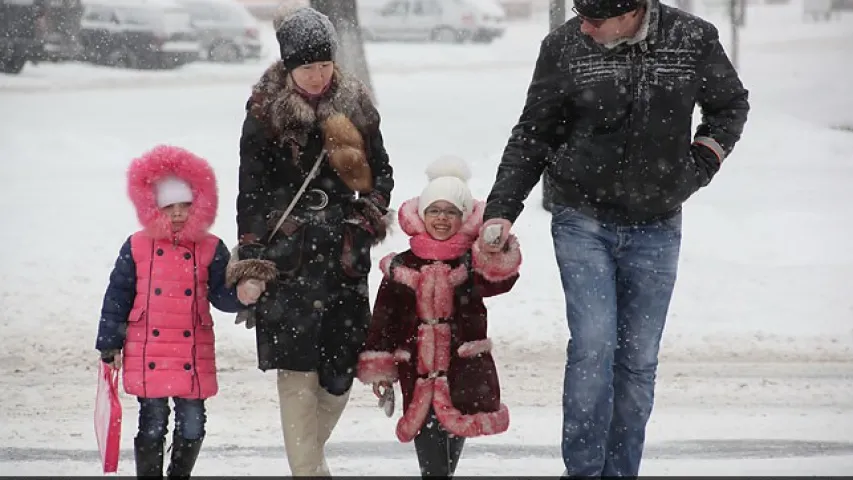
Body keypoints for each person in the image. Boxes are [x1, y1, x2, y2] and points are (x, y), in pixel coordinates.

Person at [477, 0, 750, 476]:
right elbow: (533, 134)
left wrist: (699, 163)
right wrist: (502, 209)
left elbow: (729, 106)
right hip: (582, 217)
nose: (583, 25)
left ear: (631, 13)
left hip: (657, 223)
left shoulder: (692, 39)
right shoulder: (564, 46)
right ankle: (582, 471)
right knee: (593, 346)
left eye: (595, 19)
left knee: (638, 360)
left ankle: (621, 471)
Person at [226, 5, 394, 477]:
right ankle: (308, 472)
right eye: (307, 67)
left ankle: (307, 461)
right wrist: (253, 260)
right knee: (297, 373)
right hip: (289, 261)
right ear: (288, 66)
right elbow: (251, 192)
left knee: (340, 375)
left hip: (344, 256)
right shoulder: (265, 113)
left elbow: (383, 172)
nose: (318, 76)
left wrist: (368, 214)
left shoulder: (356, 104)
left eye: (324, 65)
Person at [95, 145, 267, 477]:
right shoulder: (137, 245)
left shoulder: (211, 246)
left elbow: (220, 294)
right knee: (152, 426)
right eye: (169, 206)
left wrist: (243, 296)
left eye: (184, 206)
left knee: (193, 426)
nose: (177, 214)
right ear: (153, 207)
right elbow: (117, 295)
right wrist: (109, 343)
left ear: (197, 204)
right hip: (147, 349)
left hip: (192, 349)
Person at [356, 157, 521, 477]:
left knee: (448, 452)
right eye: (434, 210)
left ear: (463, 217)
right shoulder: (402, 264)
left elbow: (499, 281)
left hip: (465, 370)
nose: (441, 218)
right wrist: (380, 367)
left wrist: (496, 247)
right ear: (421, 214)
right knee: (432, 456)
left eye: (450, 212)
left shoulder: (473, 260)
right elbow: (384, 317)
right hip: (416, 371)